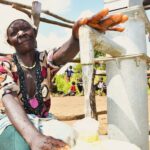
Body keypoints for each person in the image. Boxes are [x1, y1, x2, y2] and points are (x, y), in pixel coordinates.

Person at [0, 8, 128, 150]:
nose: (21, 33)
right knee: (19, 145)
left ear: (34, 32)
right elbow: (8, 98)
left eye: (25, 28)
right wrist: (33, 137)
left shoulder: (44, 60)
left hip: (43, 119)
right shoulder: (4, 64)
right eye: (14, 32)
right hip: (11, 120)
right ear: (9, 41)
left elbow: (63, 54)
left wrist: (76, 37)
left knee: (69, 139)